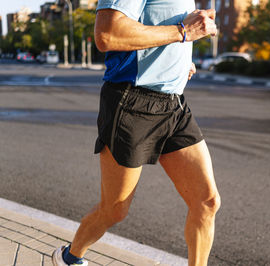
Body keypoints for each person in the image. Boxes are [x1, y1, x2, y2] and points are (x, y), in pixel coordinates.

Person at [51, 0, 221, 266]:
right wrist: (183, 32)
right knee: (115, 209)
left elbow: (165, 31)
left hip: (174, 104)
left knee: (207, 201)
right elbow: (108, 34)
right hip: (132, 102)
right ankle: (69, 257)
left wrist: (179, 61)